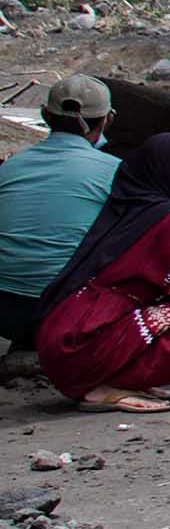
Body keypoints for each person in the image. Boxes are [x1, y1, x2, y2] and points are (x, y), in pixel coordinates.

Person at [34, 133, 170, 412]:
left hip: (64, 340)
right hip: (83, 342)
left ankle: (111, 380)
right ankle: (109, 385)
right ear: (165, 170)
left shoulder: (136, 210)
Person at [0, 76, 120, 347]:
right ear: (108, 119)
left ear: (44, 115)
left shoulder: (10, 167)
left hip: (5, 311)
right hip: (68, 312)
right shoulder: (114, 172)